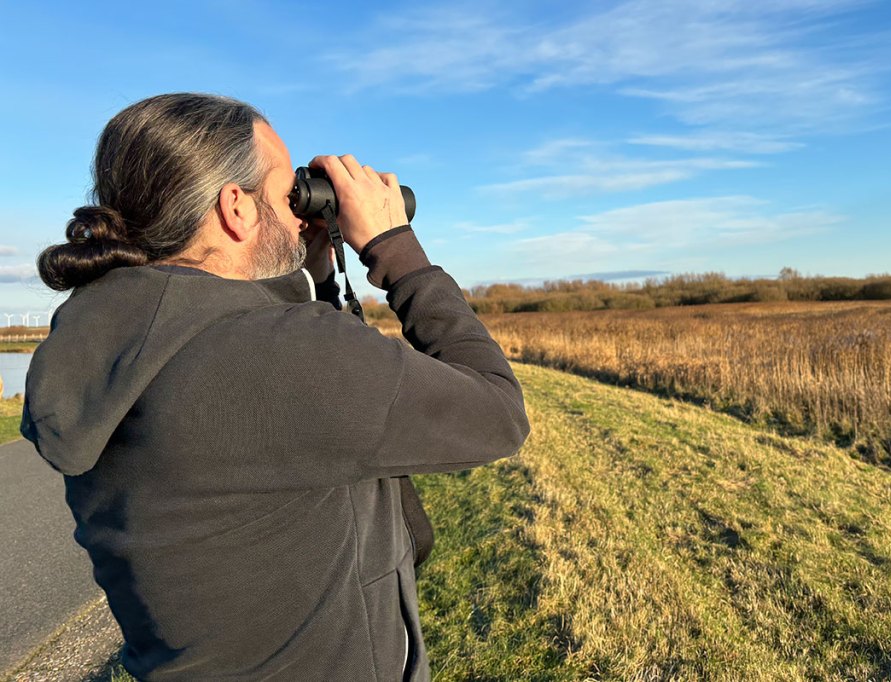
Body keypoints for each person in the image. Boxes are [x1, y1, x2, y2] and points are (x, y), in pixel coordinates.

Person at [20, 93, 530, 681]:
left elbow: (273, 410)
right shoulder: (286, 354)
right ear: (236, 207)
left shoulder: (106, 343)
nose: (299, 210)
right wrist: (397, 250)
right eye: (288, 192)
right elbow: (497, 412)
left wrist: (304, 261)